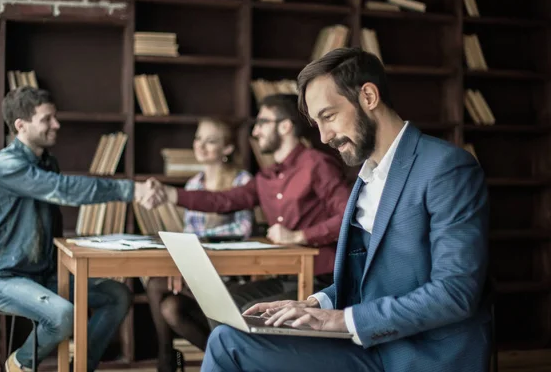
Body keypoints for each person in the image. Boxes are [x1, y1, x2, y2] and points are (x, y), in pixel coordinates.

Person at [200, 47, 491, 372]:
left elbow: (456, 292)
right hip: (369, 346)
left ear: (368, 96)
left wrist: (341, 320)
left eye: (328, 116)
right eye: (316, 123)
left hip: (419, 355)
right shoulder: (365, 179)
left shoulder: (447, 168)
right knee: (227, 340)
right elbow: (368, 281)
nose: (324, 137)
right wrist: (314, 303)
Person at [0, 87, 156, 372]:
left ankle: (81, 367)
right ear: (21, 125)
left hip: (43, 277)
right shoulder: (6, 164)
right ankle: (19, 365)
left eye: (55, 117)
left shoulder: (49, 162)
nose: (56, 125)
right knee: (62, 315)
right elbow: (65, 190)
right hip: (1, 279)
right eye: (47, 119)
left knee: (118, 295)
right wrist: (132, 189)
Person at [149, 93, 352, 310]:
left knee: (246, 310)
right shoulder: (266, 177)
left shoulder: (317, 164)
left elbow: (348, 217)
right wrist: (170, 194)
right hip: (287, 275)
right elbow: (223, 200)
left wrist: (300, 236)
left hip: (322, 279)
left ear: (285, 126)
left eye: (262, 123)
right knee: (220, 303)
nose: (255, 132)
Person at [145, 118, 253, 372]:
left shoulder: (241, 180)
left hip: (231, 277)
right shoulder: (193, 184)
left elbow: (243, 229)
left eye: (210, 141)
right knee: (169, 307)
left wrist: (202, 242)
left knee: (156, 286)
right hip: (198, 273)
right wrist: (184, 265)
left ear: (227, 149)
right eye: (198, 139)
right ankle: (219, 362)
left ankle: (167, 361)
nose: (201, 146)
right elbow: (187, 235)